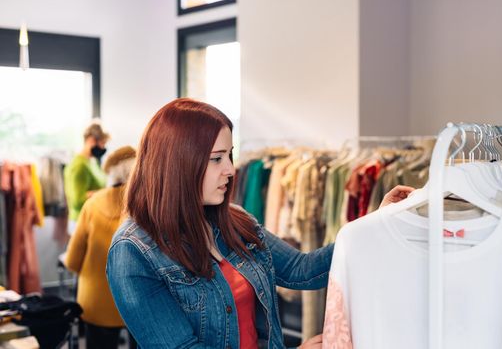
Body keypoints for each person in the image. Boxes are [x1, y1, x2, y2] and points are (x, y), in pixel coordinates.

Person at [106, 98, 414, 348]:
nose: (230, 170)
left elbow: (301, 269)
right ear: (177, 163)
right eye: (216, 159)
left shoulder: (235, 220)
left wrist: (377, 224)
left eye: (230, 155)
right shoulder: (133, 252)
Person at [64, 146, 137, 349]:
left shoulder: (92, 204)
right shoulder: (147, 206)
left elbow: (72, 260)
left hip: (96, 301)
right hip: (136, 302)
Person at [64, 121, 110, 231]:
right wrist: (106, 193)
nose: (103, 147)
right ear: (91, 140)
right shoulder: (79, 165)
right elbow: (77, 201)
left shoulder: (92, 161)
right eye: (102, 143)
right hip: (81, 223)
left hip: (93, 219)